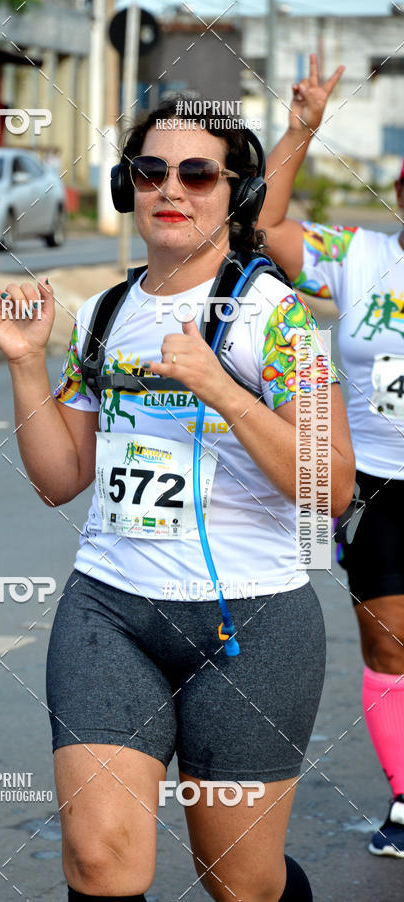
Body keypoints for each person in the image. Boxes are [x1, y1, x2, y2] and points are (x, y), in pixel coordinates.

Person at [0, 96, 355, 901]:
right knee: (100, 859)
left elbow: (333, 486)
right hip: (111, 611)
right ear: (127, 186)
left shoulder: (274, 317)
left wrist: (223, 390)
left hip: (251, 621)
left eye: (198, 173)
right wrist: (25, 365)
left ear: (239, 193)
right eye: (149, 171)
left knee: (239, 881)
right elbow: (59, 480)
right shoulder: (105, 314)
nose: (170, 188)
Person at [258, 53, 404, 858]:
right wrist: (300, 130)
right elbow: (265, 226)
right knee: (389, 644)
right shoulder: (361, 256)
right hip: (379, 485)